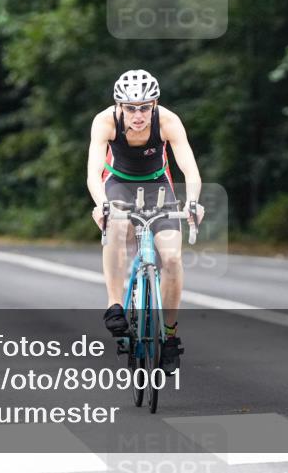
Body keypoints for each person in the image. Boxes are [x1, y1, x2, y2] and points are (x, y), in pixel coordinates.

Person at [87, 69, 205, 374]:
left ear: (154, 105)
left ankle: (169, 336)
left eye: (144, 107)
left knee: (173, 258)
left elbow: (189, 170)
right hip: (118, 184)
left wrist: (192, 201)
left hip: (158, 186)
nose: (137, 115)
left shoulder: (167, 121)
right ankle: (115, 305)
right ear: (119, 107)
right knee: (116, 227)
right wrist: (101, 204)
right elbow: (93, 173)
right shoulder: (104, 122)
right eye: (130, 108)